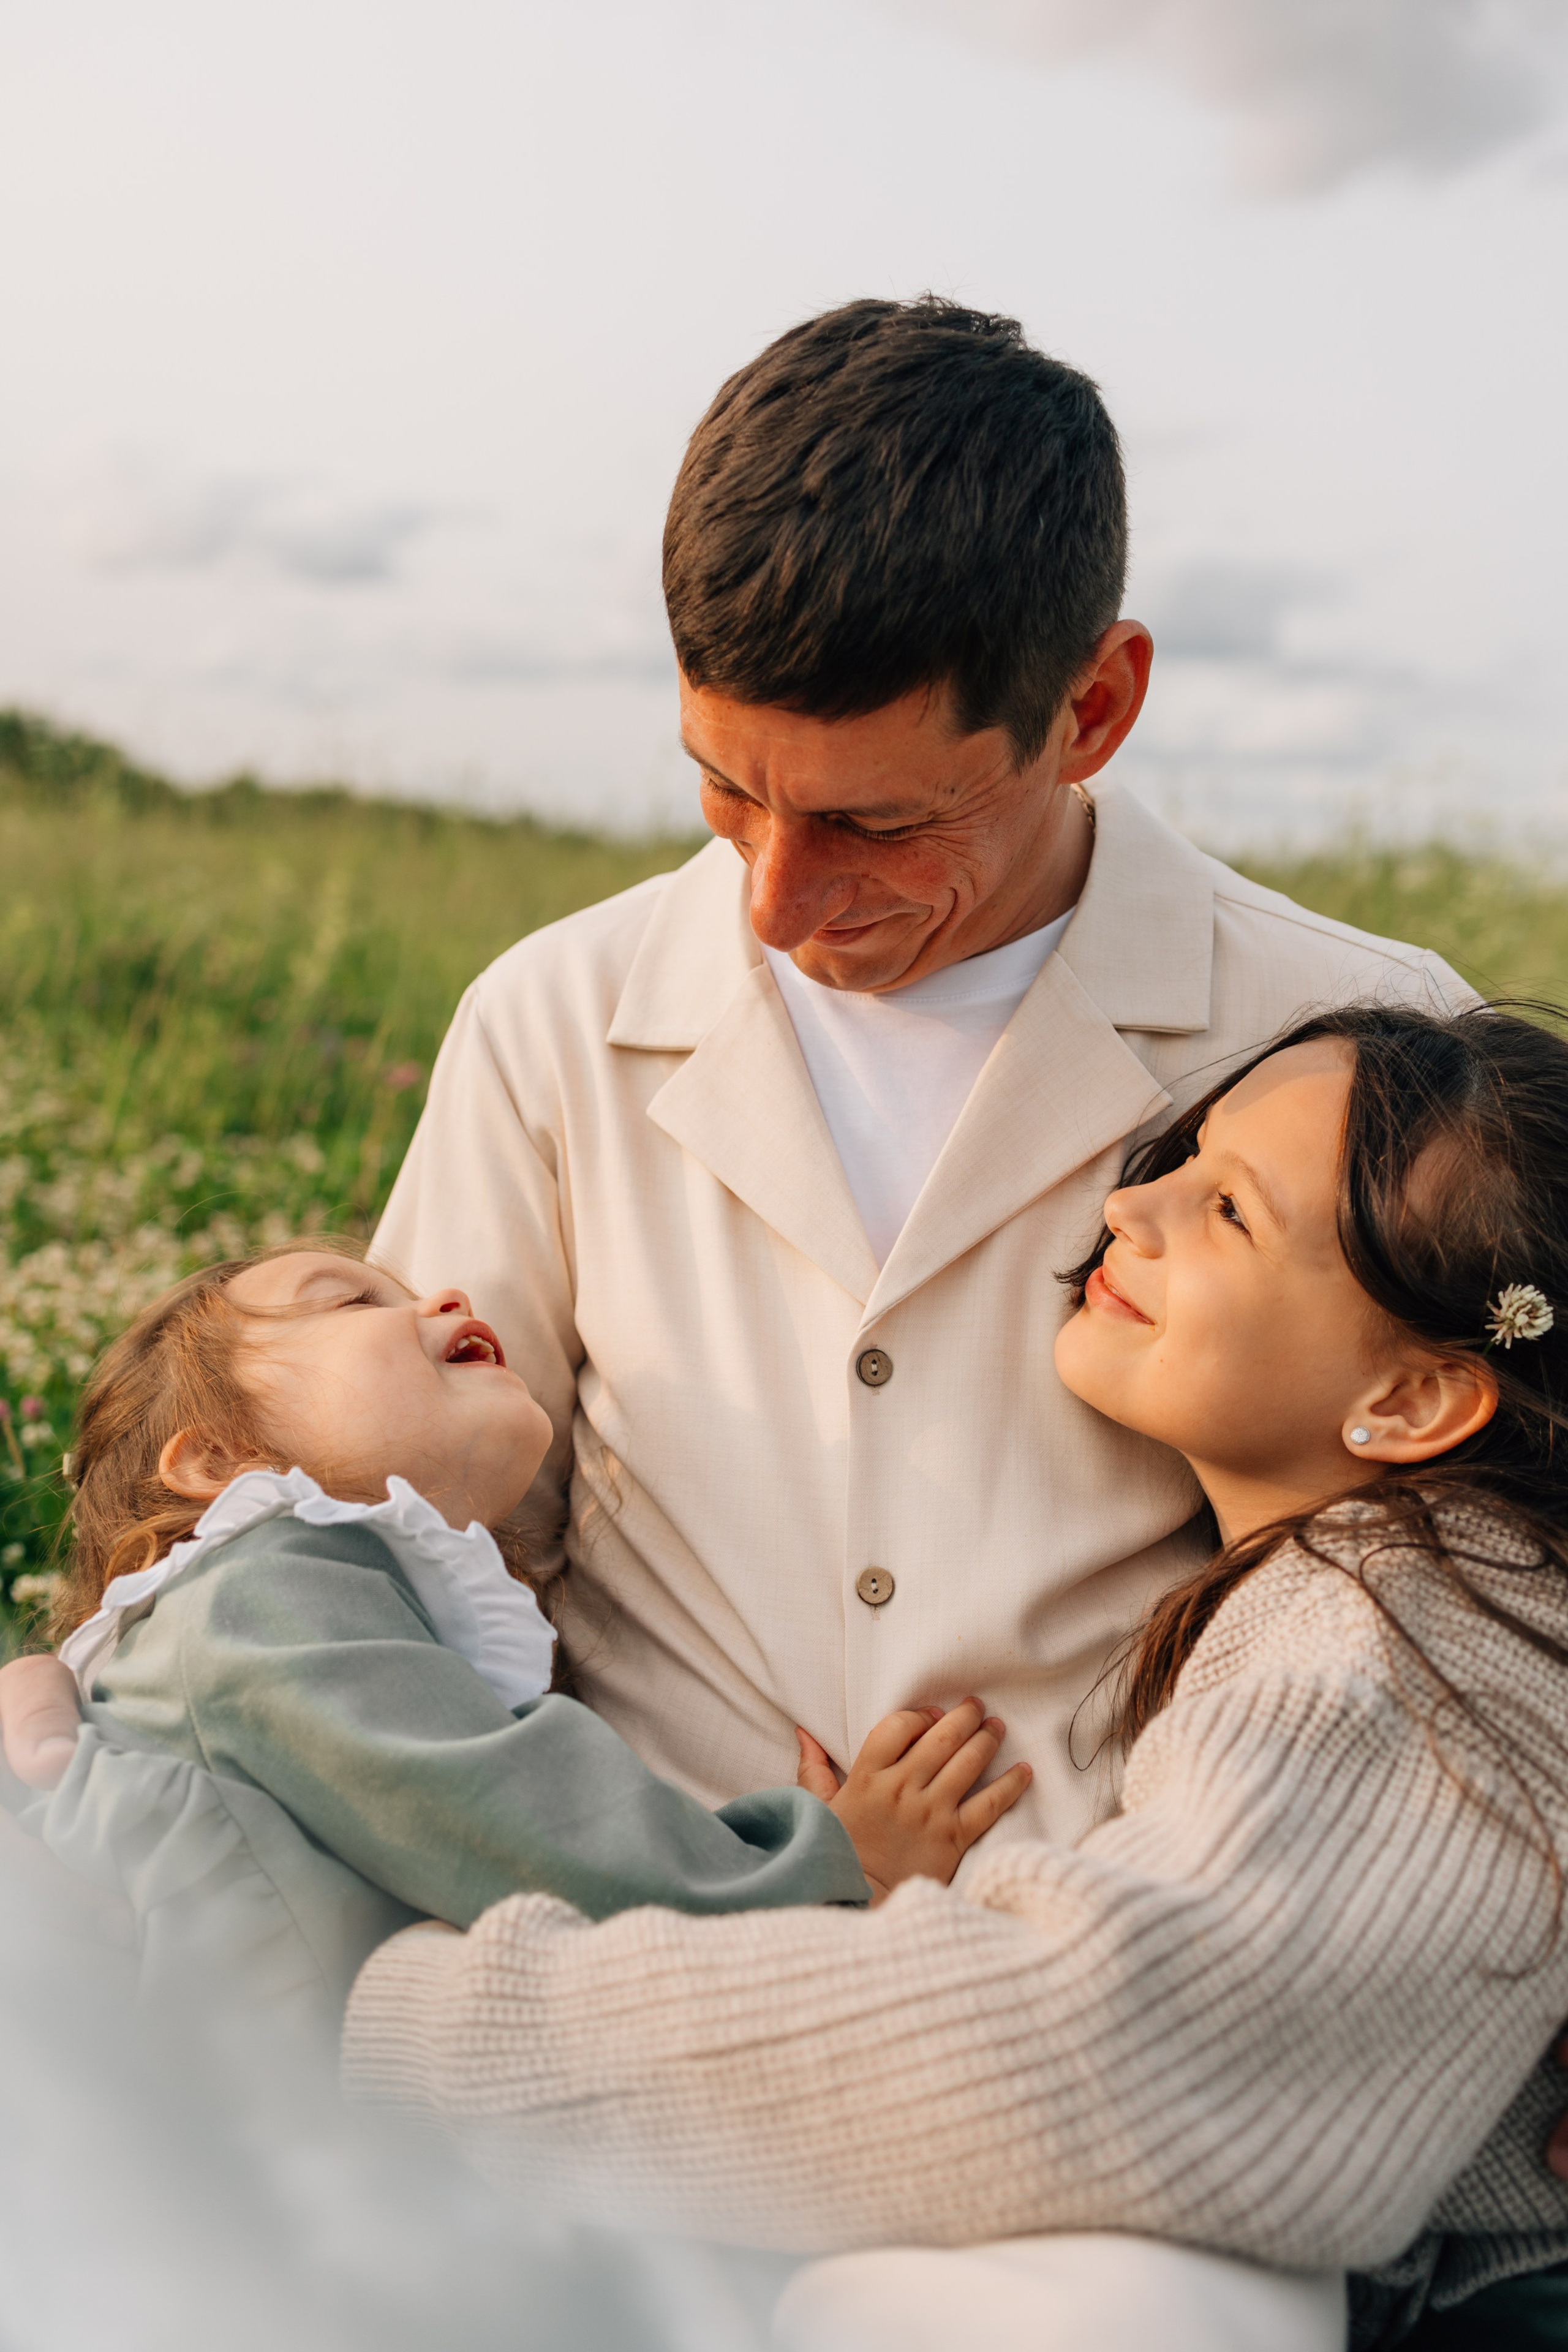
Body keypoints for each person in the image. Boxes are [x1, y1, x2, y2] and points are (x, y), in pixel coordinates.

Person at [362, 295, 1471, 2342]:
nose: (776, 906)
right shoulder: (549, 1016)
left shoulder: (1371, 1051)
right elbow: (394, 1531)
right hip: (623, 2013)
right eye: (721, 794)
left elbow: (1496, 1604)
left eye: (875, 823)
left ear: (1100, 702)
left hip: (1104, 2146)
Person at [344, 1003, 1568, 2350]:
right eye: (1187, 1157)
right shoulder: (1414, 1590)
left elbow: (1118, 2049)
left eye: (1228, 1213)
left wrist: (416, 2024)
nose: (1135, 1204)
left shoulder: (1391, 1633)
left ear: (1408, 1401)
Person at [0, 1241, 1025, 2035]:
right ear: (222, 1460)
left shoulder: (305, 1606)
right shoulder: (255, 1591)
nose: (439, 1298)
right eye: (353, 1301)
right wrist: (818, 1863)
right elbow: (509, 1815)